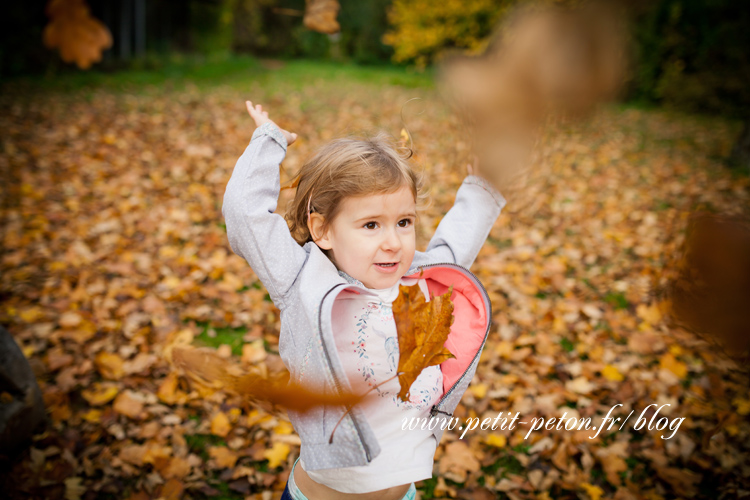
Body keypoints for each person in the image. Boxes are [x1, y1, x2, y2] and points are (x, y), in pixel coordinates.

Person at [222, 101, 506, 500]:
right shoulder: (302, 281)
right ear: (322, 229)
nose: (393, 242)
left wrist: (483, 188)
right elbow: (245, 216)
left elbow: (456, 244)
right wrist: (268, 142)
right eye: (371, 225)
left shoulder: (420, 282)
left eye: (403, 223)